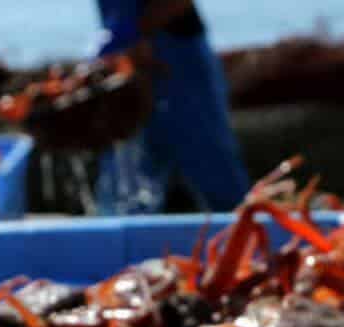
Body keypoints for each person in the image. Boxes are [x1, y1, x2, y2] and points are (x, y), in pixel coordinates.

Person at [95, 0, 250, 212]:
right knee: (124, 191)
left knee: (217, 176)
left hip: (180, 62)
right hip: (131, 70)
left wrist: (134, 31)